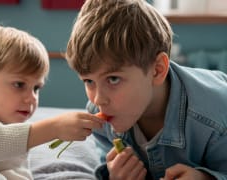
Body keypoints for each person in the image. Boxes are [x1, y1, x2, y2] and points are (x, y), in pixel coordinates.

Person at [65, 0, 227, 179]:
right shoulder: (100, 117)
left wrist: (206, 178)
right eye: (88, 81)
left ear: (157, 70)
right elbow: (105, 160)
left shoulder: (215, 119)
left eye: (113, 79)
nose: (98, 99)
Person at [0, 24, 103, 180]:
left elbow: (19, 175)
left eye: (36, 88)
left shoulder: (11, 137)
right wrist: (53, 128)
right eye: (19, 85)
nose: (31, 98)